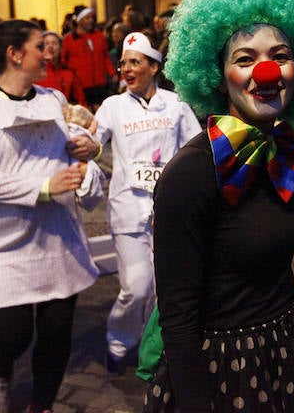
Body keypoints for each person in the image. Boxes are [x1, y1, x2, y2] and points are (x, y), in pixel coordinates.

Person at [147, 0, 294, 412]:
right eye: (244, 59)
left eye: (279, 55)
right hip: (224, 367)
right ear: (217, 73)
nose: (266, 71)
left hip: (293, 345)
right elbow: (176, 319)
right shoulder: (190, 175)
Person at [0, 19, 102, 413]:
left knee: (55, 333)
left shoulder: (52, 98)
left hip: (58, 240)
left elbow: (82, 148)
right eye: (39, 47)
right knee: (9, 337)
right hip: (5, 242)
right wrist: (45, 187)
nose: (48, 54)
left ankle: (42, 404)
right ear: (15, 55)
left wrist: (88, 155)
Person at [92, 31, 201, 373]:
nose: (126, 68)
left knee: (165, 287)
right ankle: (118, 341)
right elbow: (92, 143)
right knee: (136, 288)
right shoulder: (112, 106)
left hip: (167, 213)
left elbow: (194, 150)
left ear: (153, 67)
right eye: (123, 63)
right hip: (127, 210)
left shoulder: (176, 104)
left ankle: (157, 349)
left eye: (134, 62)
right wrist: (80, 137)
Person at [60, 7, 116, 108]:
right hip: (80, 85)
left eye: (92, 17)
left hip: (100, 84)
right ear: (79, 20)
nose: (91, 20)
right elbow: (63, 61)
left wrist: (112, 73)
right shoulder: (69, 39)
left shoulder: (99, 36)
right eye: (87, 18)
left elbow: (105, 57)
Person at [38, 31, 87, 107]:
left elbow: (81, 99)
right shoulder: (35, 72)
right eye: (46, 44)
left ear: (60, 48)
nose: (50, 46)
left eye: (54, 43)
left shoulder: (69, 72)